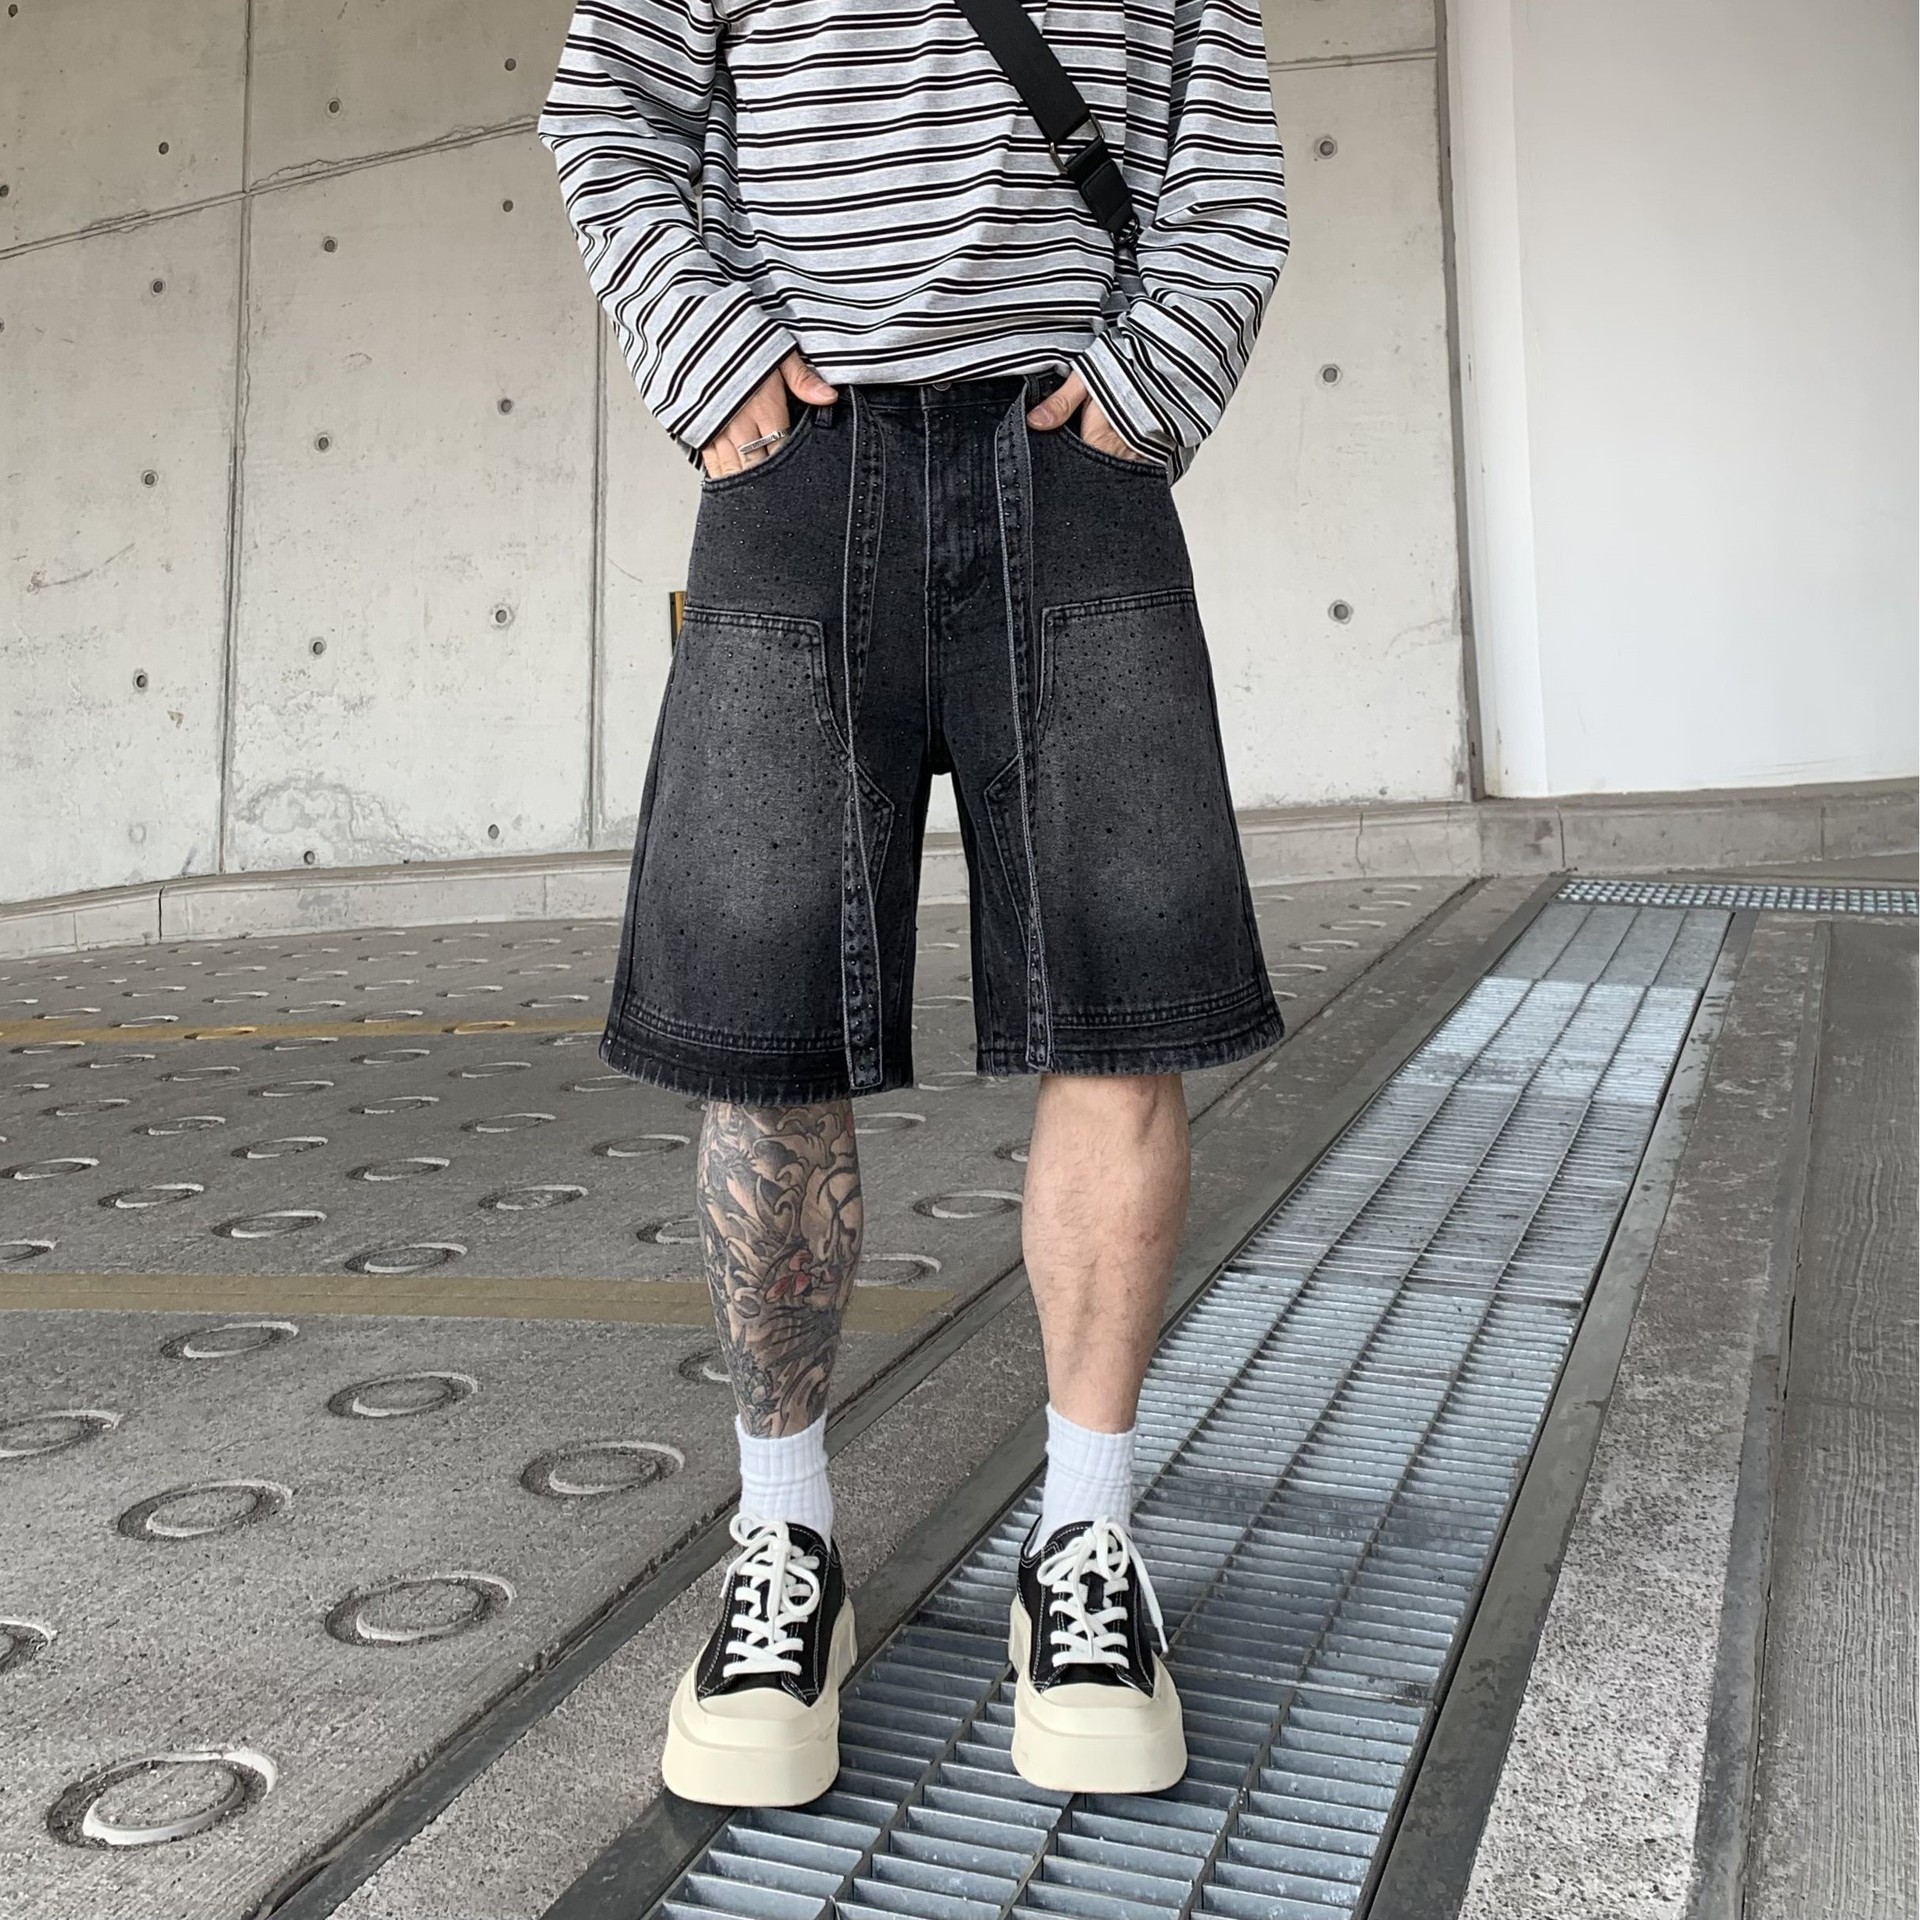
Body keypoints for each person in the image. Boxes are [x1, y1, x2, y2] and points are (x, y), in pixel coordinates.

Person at [539, 0, 1289, 1808]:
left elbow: (1228, 168)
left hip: (1073, 451)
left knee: (1123, 1013)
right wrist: (711, 357)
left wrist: (1145, 389)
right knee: (767, 1032)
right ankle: (784, 1542)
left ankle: (1085, 1542)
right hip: (801, 459)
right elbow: (606, 108)